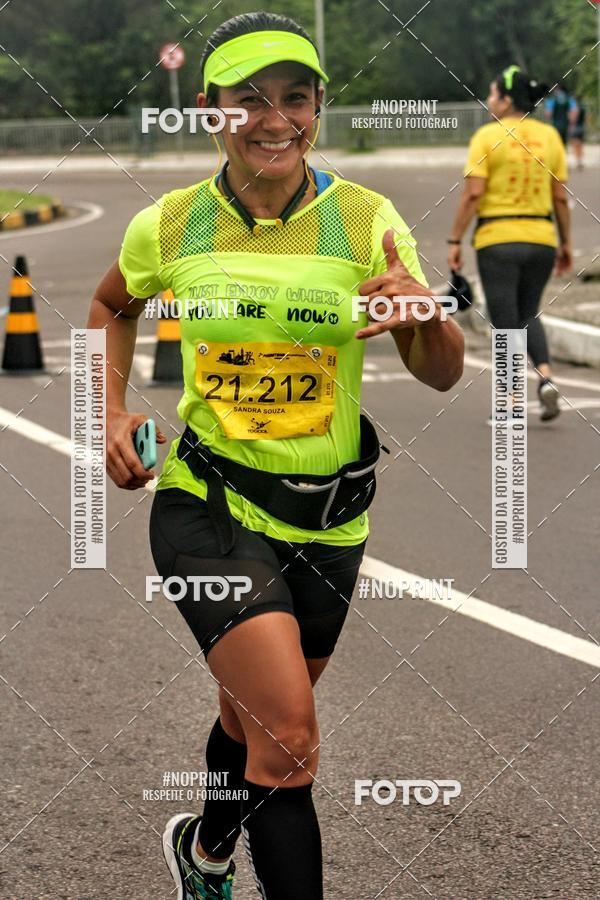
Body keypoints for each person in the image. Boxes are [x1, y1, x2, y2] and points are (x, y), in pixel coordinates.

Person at [88, 11, 464, 899]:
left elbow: (442, 374)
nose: (274, 119)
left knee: (250, 720)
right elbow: (111, 307)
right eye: (248, 99)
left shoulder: (368, 221)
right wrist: (106, 412)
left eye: (296, 98)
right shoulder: (171, 224)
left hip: (330, 517)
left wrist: (426, 313)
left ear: (319, 106)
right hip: (208, 501)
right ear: (210, 108)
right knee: (291, 737)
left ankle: (205, 852)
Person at [448, 65, 572, 422]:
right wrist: (565, 244)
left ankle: (510, 401)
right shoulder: (550, 137)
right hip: (542, 239)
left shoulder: (488, 137)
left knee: (505, 322)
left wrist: (455, 238)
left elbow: (473, 196)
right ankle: (546, 378)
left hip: (497, 240)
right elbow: (560, 199)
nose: (488, 101)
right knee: (528, 312)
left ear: (504, 100)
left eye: (491, 95)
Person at [544, 82, 578, 146]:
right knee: (564, 144)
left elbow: (548, 114)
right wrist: (572, 124)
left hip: (555, 125)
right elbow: (574, 112)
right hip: (565, 126)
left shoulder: (552, 100)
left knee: (555, 144)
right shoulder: (569, 99)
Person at [570, 97, 586, 170]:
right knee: (580, 145)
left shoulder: (575, 108)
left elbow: (573, 118)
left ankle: (578, 161)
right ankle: (580, 161)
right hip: (582, 127)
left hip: (576, 128)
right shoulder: (583, 108)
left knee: (576, 145)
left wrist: (571, 125)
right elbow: (587, 118)